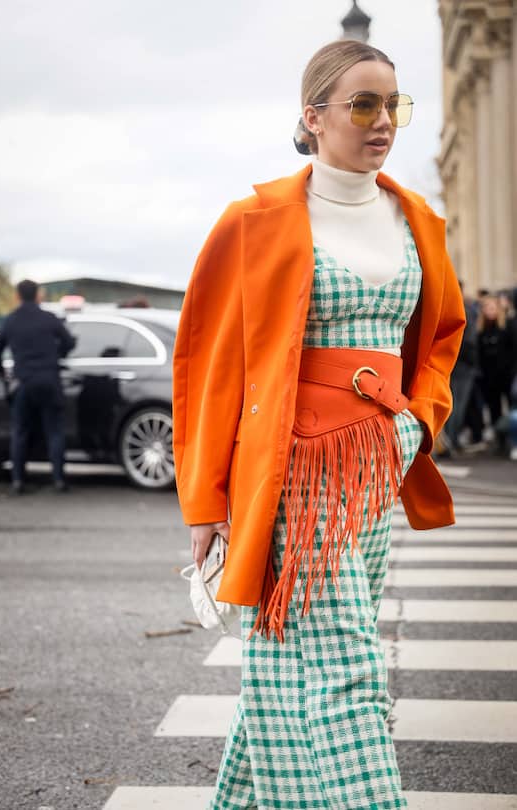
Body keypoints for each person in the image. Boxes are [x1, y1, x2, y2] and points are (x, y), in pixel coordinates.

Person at [173, 40, 465, 810]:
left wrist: (418, 425)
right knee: (346, 663)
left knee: (285, 658)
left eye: (393, 105)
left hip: (381, 463)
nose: (383, 122)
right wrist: (204, 502)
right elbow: (207, 362)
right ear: (313, 117)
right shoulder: (255, 220)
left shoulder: (418, 220)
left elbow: (440, 339)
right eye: (362, 104)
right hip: (294, 467)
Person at [0, 279, 76, 493]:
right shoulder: (48, 319)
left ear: (18, 296)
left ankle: (18, 481)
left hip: (24, 382)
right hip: (49, 380)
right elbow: (69, 341)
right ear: (38, 295)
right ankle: (58, 480)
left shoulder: (11, 320)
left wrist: (2, 373)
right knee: (55, 431)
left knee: (20, 432)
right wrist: (57, 356)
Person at [443, 283, 479, 454]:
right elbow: (469, 342)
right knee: (457, 405)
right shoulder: (465, 310)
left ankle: (449, 441)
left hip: (450, 363)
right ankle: (451, 441)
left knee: (452, 404)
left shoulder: (445, 307)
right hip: (462, 366)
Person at [477, 295, 512, 434]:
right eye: (487, 308)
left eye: (492, 308)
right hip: (489, 377)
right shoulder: (482, 331)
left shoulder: (506, 328)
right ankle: (500, 436)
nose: (490, 311)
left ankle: (511, 435)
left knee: (510, 406)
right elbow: (480, 355)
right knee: (493, 407)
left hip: (506, 375)